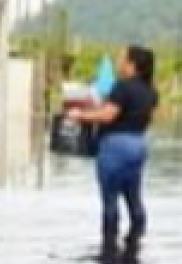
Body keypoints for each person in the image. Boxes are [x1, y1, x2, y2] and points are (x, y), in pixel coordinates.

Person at [68, 45, 159, 243]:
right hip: (138, 144)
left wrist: (80, 115)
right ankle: (136, 245)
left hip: (115, 147)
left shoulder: (123, 86)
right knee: (134, 200)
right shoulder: (150, 91)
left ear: (132, 65)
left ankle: (109, 251)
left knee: (110, 202)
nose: (119, 62)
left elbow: (108, 115)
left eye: (122, 59)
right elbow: (147, 118)